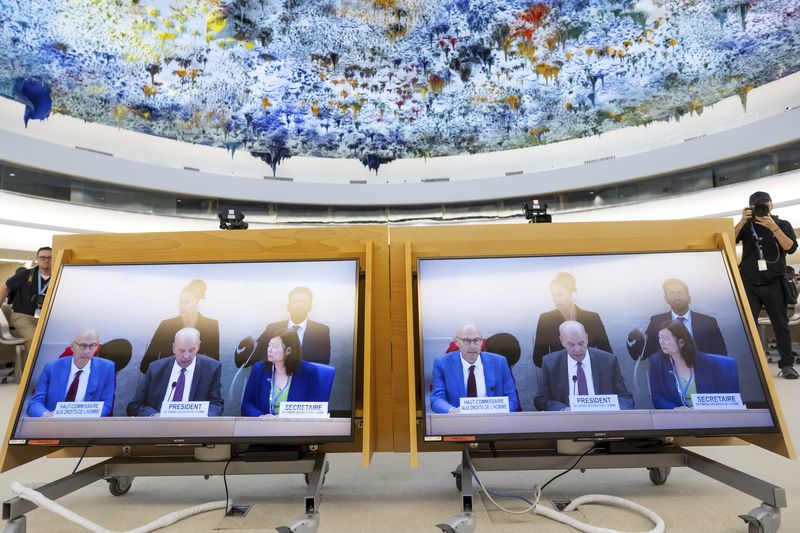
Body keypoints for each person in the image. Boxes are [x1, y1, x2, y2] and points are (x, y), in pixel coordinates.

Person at [735, 191, 799, 379]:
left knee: (781, 325)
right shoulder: (746, 226)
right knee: (748, 326)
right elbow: (729, 242)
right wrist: (740, 222)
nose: (762, 207)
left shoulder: (782, 224)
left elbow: (790, 247)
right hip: (750, 284)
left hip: (774, 283)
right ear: (751, 208)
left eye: (765, 204)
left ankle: (787, 365)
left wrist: (774, 228)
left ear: (771, 205)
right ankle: (749, 366)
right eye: (757, 205)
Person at [534, 321, 634, 412]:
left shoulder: (608, 361)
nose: (577, 349)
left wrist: (619, 413)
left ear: (587, 339)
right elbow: (541, 400)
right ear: (562, 341)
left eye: (581, 343)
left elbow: (625, 397)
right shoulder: (551, 363)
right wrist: (563, 410)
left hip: (604, 421)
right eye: (571, 345)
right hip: (568, 423)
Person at [127, 327, 223, 417]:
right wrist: (154, 416)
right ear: (173, 348)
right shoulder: (156, 368)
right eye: (181, 350)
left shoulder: (211, 368)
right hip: (159, 428)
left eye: (191, 350)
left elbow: (216, 404)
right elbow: (135, 405)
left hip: (194, 429)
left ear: (198, 346)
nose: (186, 356)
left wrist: (205, 418)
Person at [241, 327, 335, 416]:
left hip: (295, 428)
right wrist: (260, 416)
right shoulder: (259, 368)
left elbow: (317, 408)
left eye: (275, 346)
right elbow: (247, 404)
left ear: (288, 351)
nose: (269, 350)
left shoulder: (308, 372)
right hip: (264, 426)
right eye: (269, 345)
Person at [649, 320, 740, 409]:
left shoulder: (709, 364)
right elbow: (657, 397)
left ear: (681, 342)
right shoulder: (657, 362)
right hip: (677, 419)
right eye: (659, 338)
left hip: (707, 417)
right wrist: (675, 409)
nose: (661, 342)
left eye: (665, 338)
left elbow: (723, 398)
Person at [430, 325, 519, 414]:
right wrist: (452, 411)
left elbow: (512, 401)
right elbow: (437, 399)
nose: (472, 346)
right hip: (458, 423)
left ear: (481, 341)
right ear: (456, 342)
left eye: (476, 340)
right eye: (466, 341)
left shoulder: (500, 362)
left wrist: (497, 412)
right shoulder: (442, 364)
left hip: (493, 422)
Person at [27, 330, 115, 417]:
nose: (87, 351)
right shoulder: (52, 367)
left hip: (87, 426)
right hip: (54, 425)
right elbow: (35, 403)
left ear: (97, 347)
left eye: (92, 346)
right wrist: (46, 415)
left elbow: (106, 406)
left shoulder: (107, 368)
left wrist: (88, 418)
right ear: (72, 347)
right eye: (83, 346)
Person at [532, 272, 612, 367]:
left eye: (560, 295)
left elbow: (607, 354)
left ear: (573, 294)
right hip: (561, 375)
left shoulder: (593, 319)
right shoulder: (545, 320)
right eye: (553, 295)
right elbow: (538, 359)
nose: (556, 299)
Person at [140, 280, 219, 374]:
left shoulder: (210, 326)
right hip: (165, 380)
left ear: (197, 302)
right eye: (180, 302)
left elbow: (214, 366)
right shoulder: (166, 325)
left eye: (187, 302)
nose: (182, 306)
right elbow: (145, 365)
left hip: (196, 382)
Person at [642, 278, 727, 358]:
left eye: (680, 293)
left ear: (689, 298)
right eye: (671, 293)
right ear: (666, 299)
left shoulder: (708, 322)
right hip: (669, 372)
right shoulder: (656, 322)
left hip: (702, 370)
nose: (676, 297)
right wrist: (635, 338)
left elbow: (721, 354)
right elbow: (642, 354)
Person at [253, 286, 331, 366]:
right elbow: (254, 356)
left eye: (303, 302)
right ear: (288, 306)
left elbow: (322, 364)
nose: (299, 306)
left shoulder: (321, 331)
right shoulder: (272, 329)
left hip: (305, 377)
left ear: (310, 307)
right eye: (295, 301)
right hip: (275, 376)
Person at [0, 247, 52, 351]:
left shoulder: (58, 275)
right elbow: (5, 286)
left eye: (50, 257)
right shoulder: (25, 274)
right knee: (34, 340)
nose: (46, 260)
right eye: (42, 257)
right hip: (23, 317)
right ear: (37, 259)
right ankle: (31, 367)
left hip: (47, 319)